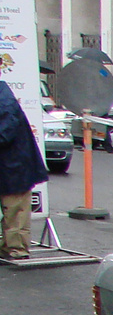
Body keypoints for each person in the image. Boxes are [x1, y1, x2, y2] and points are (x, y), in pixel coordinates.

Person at [0, 81, 48, 261]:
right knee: (13, 210)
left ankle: (16, 249)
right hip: (10, 165)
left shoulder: (4, 101)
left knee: (16, 210)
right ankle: (9, 247)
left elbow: (4, 134)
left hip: (14, 165)